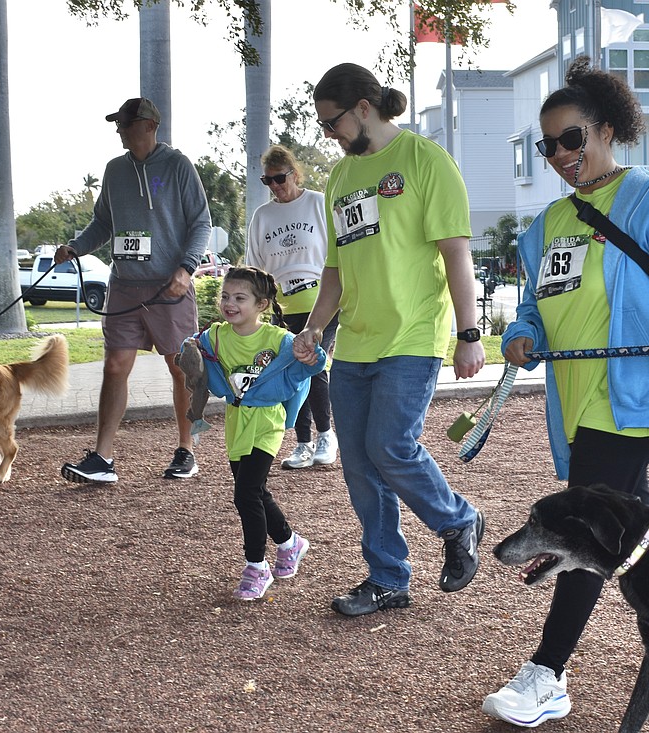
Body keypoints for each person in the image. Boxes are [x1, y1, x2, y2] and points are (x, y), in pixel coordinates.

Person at [482, 56, 649, 728]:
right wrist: (519, 334)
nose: (561, 155)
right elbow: (534, 309)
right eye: (549, 146)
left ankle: (548, 671)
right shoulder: (544, 225)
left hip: (633, 396)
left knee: (583, 530)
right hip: (572, 401)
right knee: (639, 528)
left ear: (604, 130)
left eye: (572, 139)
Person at [292, 63, 485, 617]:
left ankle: (458, 520)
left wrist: (470, 333)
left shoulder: (426, 161)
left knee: (390, 446)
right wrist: (314, 328)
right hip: (353, 342)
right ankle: (387, 577)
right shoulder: (340, 178)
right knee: (358, 463)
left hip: (413, 334)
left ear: (362, 108)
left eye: (333, 123)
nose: (329, 134)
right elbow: (335, 267)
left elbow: (456, 254)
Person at [59, 98, 212, 485]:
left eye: (125, 123)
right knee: (114, 367)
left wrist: (187, 268)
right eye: (117, 123)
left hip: (169, 287)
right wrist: (76, 246)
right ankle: (103, 459)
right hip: (124, 287)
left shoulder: (178, 166)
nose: (119, 129)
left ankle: (186, 451)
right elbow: (102, 224)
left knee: (181, 371)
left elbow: (201, 222)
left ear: (149, 125)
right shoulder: (114, 171)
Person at [192, 267, 326, 600]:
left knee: (245, 494)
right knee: (255, 491)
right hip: (237, 422)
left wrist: (310, 351)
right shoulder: (217, 336)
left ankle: (256, 567)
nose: (229, 303)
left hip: (267, 422)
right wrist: (189, 358)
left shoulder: (278, 340)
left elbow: (312, 364)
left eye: (239, 298)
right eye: (225, 296)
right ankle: (290, 542)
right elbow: (194, 351)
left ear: (261, 304)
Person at [244, 143, 338, 470]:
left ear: (295, 174)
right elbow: (254, 268)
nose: (275, 187)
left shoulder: (318, 204)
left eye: (280, 179)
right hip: (282, 305)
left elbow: (337, 255)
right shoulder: (262, 216)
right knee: (290, 371)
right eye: (267, 181)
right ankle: (303, 442)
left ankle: (326, 435)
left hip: (321, 301)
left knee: (311, 363)